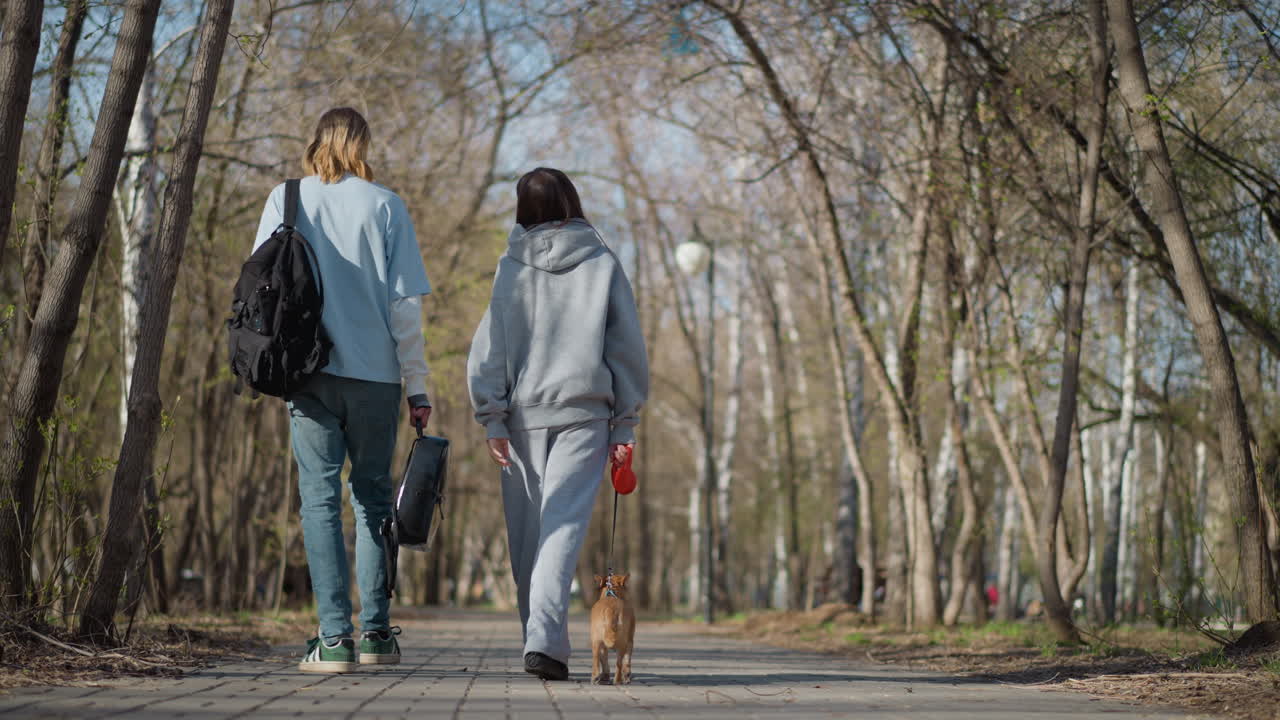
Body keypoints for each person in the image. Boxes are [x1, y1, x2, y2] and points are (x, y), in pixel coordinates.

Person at [253, 107, 432, 673]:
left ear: (316, 141)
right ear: (363, 143)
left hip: (306, 374)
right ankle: (377, 636)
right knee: (374, 499)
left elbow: (260, 288)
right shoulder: (385, 206)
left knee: (320, 502)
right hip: (376, 376)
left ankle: (334, 641)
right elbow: (405, 308)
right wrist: (418, 387)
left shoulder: (285, 201)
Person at [467, 167, 649, 681]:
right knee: (558, 532)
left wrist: (493, 416)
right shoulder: (602, 263)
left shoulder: (510, 268)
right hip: (584, 414)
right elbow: (626, 350)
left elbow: (489, 352)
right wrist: (624, 423)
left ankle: (543, 642)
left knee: (532, 541)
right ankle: (542, 642)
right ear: (571, 202)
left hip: (523, 419)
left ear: (522, 209)